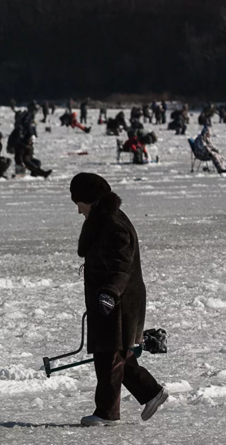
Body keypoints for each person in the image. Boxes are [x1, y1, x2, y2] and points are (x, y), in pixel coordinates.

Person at [70, 173, 168, 427]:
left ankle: (107, 413)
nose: (78, 211)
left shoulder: (114, 225)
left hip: (119, 303)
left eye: (78, 203)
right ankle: (151, 392)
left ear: (90, 200)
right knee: (116, 355)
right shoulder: (103, 221)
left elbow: (121, 267)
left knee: (109, 357)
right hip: (112, 301)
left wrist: (110, 293)